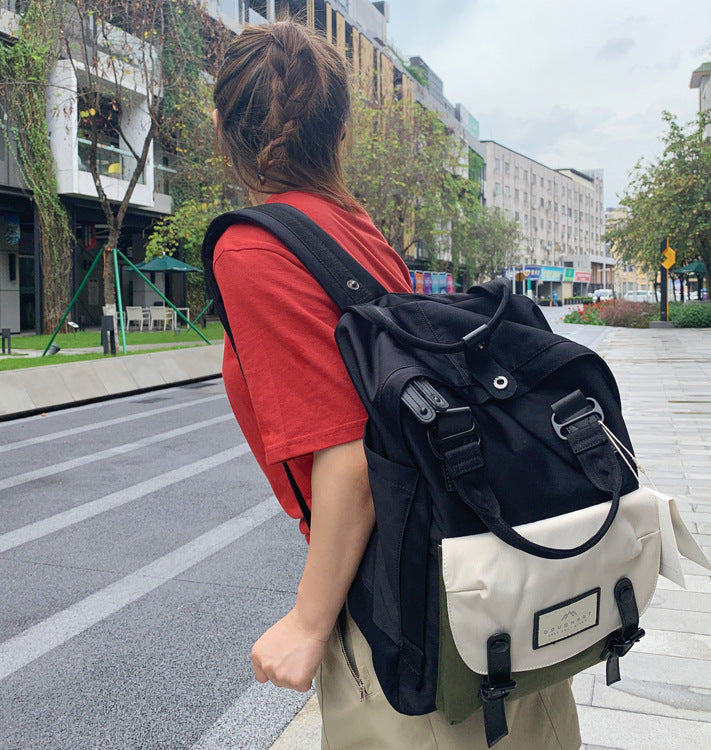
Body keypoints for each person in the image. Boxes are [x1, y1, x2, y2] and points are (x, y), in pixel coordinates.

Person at [210, 20, 581, 750]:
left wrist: (311, 623)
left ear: (222, 124)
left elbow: (350, 456)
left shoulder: (252, 246)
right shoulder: (352, 224)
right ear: (342, 129)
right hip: (465, 550)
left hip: (395, 589)